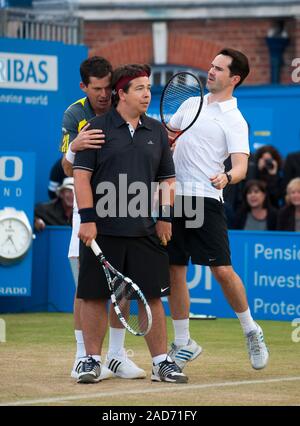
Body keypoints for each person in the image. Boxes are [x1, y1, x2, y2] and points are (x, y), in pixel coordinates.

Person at [73, 63, 188, 384]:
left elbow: (167, 179)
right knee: (94, 295)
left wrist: (165, 217)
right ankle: (91, 361)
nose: (147, 93)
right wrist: (88, 219)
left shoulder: (156, 133)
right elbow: (81, 178)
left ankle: (161, 363)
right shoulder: (96, 128)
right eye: (139, 88)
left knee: (152, 297)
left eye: (148, 88)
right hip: (102, 230)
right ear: (120, 93)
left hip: (144, 231)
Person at [166, 48, 269, 371]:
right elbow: (169, 138)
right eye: (211, 66)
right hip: (173, 196)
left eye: (219, 69)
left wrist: (227, 176)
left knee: (222, 270)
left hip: (205, 198)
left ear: (234, 78)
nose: (210, 71)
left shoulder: (235, 120)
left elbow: (240, 166)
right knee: (174, 270)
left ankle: (251, 330)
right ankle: (183, 343)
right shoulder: (189, 103)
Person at [60, 56, 145, 380]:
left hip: (122, 208)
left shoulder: (121, 109)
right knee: (86, 288)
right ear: (84, 87)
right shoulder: (75, 114)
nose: (104, 94)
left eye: (108, 87)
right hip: (86, 210)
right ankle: (84, 357)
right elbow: (68, 169)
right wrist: (75, 148)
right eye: (96, 89)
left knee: (121, 284)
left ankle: (116, 356)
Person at [247, 144, 285, 209]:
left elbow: (276, 196)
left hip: (273, 210)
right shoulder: (253, 172)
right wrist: (258, 170)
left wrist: (273, 176)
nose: (267, 163)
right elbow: (248, 190)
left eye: (269, 160)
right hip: (253, 209)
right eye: (264, 160)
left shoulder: (279, 176)